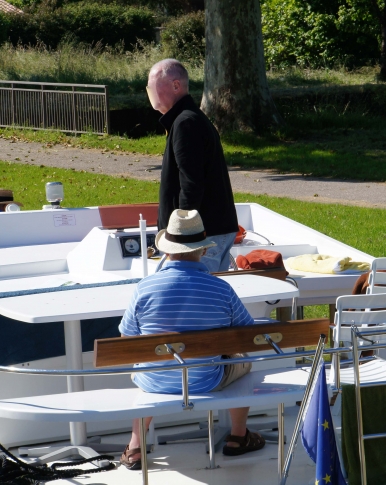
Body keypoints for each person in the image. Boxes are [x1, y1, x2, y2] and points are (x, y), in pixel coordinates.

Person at [118, 209, 265, 470]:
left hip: (153, 381)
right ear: (204, 249)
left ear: (167, 249)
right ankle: (238, 436)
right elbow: (246, 335)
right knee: (242, 360)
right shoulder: (221, 288)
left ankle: (136, 446)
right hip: (206, 380)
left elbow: (126, 339)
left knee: (148, 366)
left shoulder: (144, 287)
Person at [147, 59, 238, 273]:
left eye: (152, 85)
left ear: (176, 85)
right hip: (210, 232)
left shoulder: (186, 123)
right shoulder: (188, 119)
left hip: (199, 239)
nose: (149, 90)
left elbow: (191, 184)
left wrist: (181, 239)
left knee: (192, 301)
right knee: (207, 299)